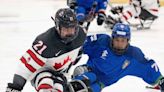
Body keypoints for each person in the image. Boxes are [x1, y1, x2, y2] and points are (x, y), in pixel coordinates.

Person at [6, 8, 87, 92]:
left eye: (72, 28)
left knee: (58, 87)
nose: (70, 33)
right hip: (41, 71)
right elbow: (25, 67)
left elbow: (80, 50)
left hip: (61, 74)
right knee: (46, 82)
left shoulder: (81, 35)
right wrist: (16, 86)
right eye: (66, 29)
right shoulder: (45, 42)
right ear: (57, 27)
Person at [71, 23, 164, 92]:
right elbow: (81, 43)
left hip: (101, 83)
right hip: (88, 71)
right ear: (112, 38)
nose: (119, 44)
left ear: (128, 41)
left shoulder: (133, 54)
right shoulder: (102, 41)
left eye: (123, 41)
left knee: (88, 90)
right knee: (78, 86)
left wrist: (161, 80)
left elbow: (148, 66)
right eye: (117, 40)